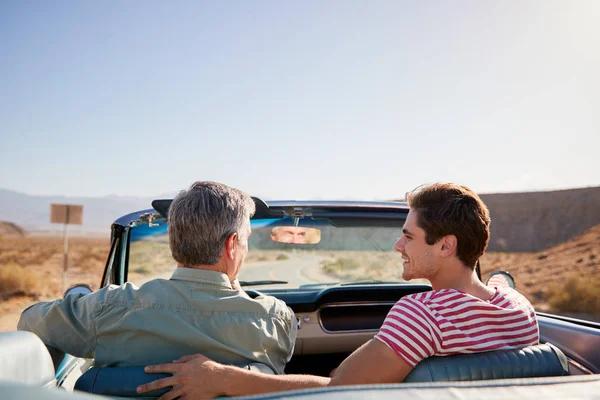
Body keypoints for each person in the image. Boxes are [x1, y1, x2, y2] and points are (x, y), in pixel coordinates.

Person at [137, 182, 539, 399]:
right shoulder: (520, 309)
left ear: (446, 246)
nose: (399, 246)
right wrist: (500, 281)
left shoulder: (422, 315)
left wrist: (223, 378)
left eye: (409, 237)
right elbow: (498, 285)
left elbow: (339, 389)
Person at [17, 181, 297, 374]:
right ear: (231, 243)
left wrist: (79, 296)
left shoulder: (111, 308)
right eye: (246, 240)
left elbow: (29, 320)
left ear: (174, 239)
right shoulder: (274, 320)